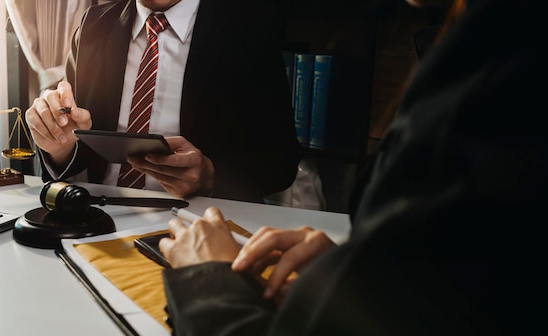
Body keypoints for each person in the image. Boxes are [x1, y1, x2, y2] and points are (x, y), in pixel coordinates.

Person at [158, 0, 546, 334]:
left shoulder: (505, 77)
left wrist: (207, 282)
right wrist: (361, 266)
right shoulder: (488, 44)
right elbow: (462, 282)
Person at [24, 0, 300, 204]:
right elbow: (79, 140)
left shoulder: (250, 29)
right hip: (98, 213)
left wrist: (210, 177)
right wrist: (57, 145)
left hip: (201, 222)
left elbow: (280, 161)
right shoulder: (93, 25)